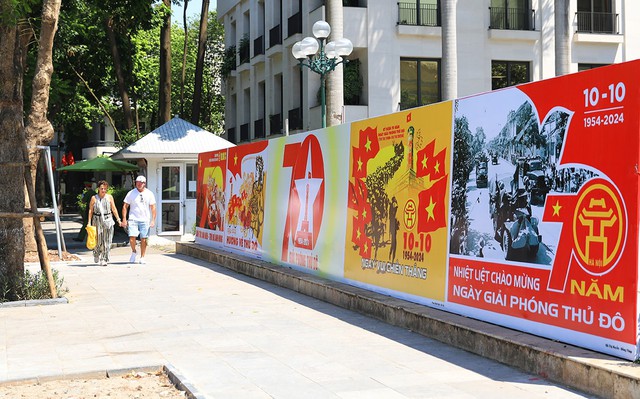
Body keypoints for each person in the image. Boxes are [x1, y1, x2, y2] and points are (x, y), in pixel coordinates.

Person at [122, 175, 157, 264]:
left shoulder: (149, 193)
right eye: (138, 182)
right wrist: (124, 219)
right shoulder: (131, 193)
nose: (139, 184)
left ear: (144, 184)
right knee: (132, 237)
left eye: (141, 183)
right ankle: (134, 251)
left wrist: (153, 220)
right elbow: (125, 206)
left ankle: (142, 256)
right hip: (133, 218)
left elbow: (153, 207)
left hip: (145, 219)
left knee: (144, 238)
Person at [87, 180, 122, 266]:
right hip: (97, 219)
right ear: (98, 188)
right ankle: (96, 253)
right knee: (98, 239)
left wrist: (118, 219)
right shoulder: (94, 198)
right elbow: (90, 210)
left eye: (105, 189)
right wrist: (89, 222)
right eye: (102, 188)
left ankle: (104, 258)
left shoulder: (109, 197)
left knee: (107, 240)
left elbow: (114, 209)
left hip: (108, 219)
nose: (103, 190)